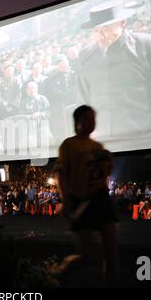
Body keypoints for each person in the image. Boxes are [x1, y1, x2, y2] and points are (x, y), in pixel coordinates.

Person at [78, 1, 151, 139]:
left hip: (145, 138)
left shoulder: (149, 46)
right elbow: (86, 97)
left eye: (106, 29)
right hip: (103, 141)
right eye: (96, 30)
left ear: (122, 23)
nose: (101, 35)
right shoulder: (86, 56)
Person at [55, 105, 119, 285]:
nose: (91, 122)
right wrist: (65, 200)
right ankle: (60, 271)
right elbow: (61, 173)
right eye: (87, 119)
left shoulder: (98, 146)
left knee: (111, 253)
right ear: (77, 122)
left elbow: (104, 173)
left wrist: (109, 162)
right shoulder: (69, 145)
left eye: (93, 119)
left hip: (101, 199)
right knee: (86, 256)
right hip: (82, 202)